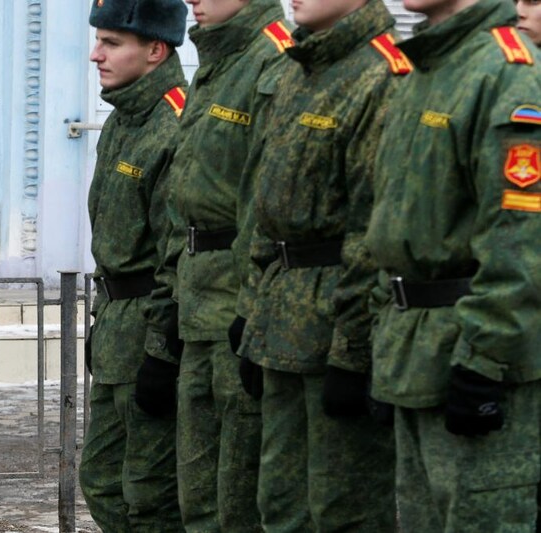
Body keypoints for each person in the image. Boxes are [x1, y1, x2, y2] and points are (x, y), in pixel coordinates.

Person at [365, 0, 541, 529]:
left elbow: (522, 238)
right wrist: (381, 341)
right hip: (414, 352)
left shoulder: (508, 74)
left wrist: (485, 359)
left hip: (476, 357)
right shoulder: (426, 70)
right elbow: (394, 225)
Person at [237, 0, 411, 530]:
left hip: (338, 317)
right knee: (281, 507)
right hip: (283, 320)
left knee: (345, 511)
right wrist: (252, 311)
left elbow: (372, 231)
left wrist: (353, 353)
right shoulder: (296, 69)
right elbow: (266, 207)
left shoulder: (383, 73)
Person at [139, 0, 292, 530]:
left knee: (240, 500)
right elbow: (184, 205)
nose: (192, 1)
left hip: (238, 302)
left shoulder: (273, 60)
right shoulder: (216, 63)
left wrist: (254, 305)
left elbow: (267, 204)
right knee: (198, 500)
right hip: (198, 296)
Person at [79, 1, 188, 530]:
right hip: (118, 327)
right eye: (99, 39)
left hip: (152, 330)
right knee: (102, 481)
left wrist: (163, 350)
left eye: (112, 43)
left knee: (151, 496)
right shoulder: (123, 119)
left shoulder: (173, 124)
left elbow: (178, 254)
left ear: (155, 49)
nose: (96, 54)